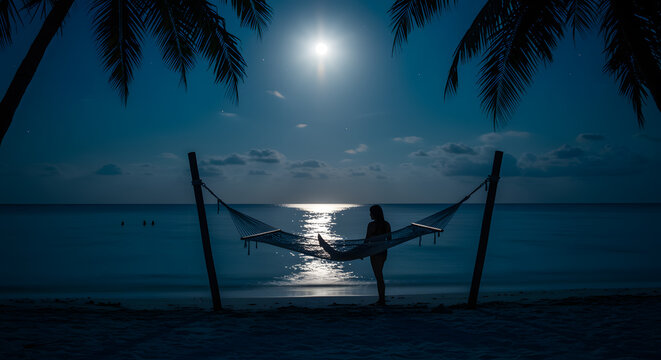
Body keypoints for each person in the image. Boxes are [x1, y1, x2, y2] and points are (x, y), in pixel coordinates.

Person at [365, 205, 391, 305]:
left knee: (379, 276)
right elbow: (390, 240)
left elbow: (366, 240)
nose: (370, 214)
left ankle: (381, 300)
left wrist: (361, 252)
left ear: (375, 213)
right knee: (379, 275)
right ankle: (381, 298)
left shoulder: (371, 225)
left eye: (371, 212)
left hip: (374, 253)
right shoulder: (386, 224)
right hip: (383, 252)